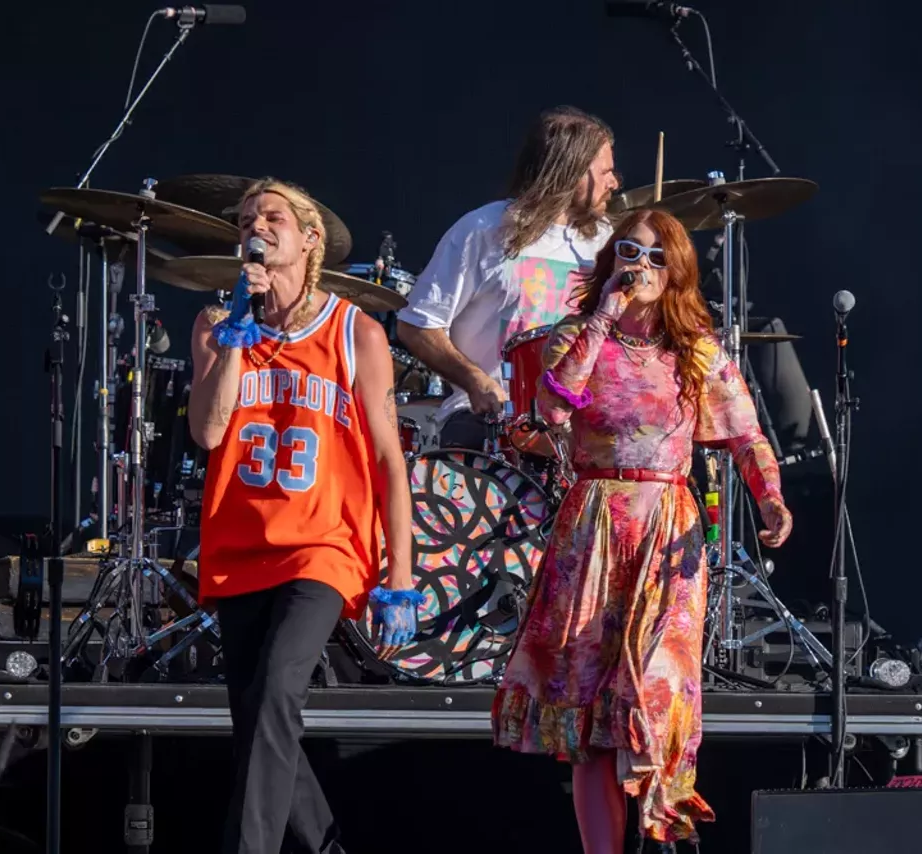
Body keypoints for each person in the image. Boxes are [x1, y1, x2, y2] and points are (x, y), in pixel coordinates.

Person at [491, 208, 794, 852]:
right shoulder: (576, 336)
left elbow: (746, 436)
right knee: (592, 706)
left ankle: (658, 826)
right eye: (631, 251)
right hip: (595, 527)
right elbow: (551, 405)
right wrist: (601, 318)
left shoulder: (697, 353)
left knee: (657, 686)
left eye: (659, 257)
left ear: (677, 273)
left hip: (664, 525)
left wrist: (770, 499)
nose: (642, 266)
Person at [188, 178, 420, 854]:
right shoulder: (216, 324)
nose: (255, 228)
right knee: (259, 717)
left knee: (279, 691)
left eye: (273, 217)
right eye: (245, 221)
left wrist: (398, 573)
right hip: (238, 546)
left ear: (310, 238)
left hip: (323, 547)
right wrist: (234, 330)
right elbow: (207, 432)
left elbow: (387, 460)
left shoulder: (355, 331)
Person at [395, 105, 621, 449]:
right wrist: (474, 380)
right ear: (573, 170)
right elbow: (417, 325)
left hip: (578, 430)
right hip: (488, 424)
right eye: (606, 172)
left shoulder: (605, 242)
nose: (614, 183)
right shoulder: (483, 230)